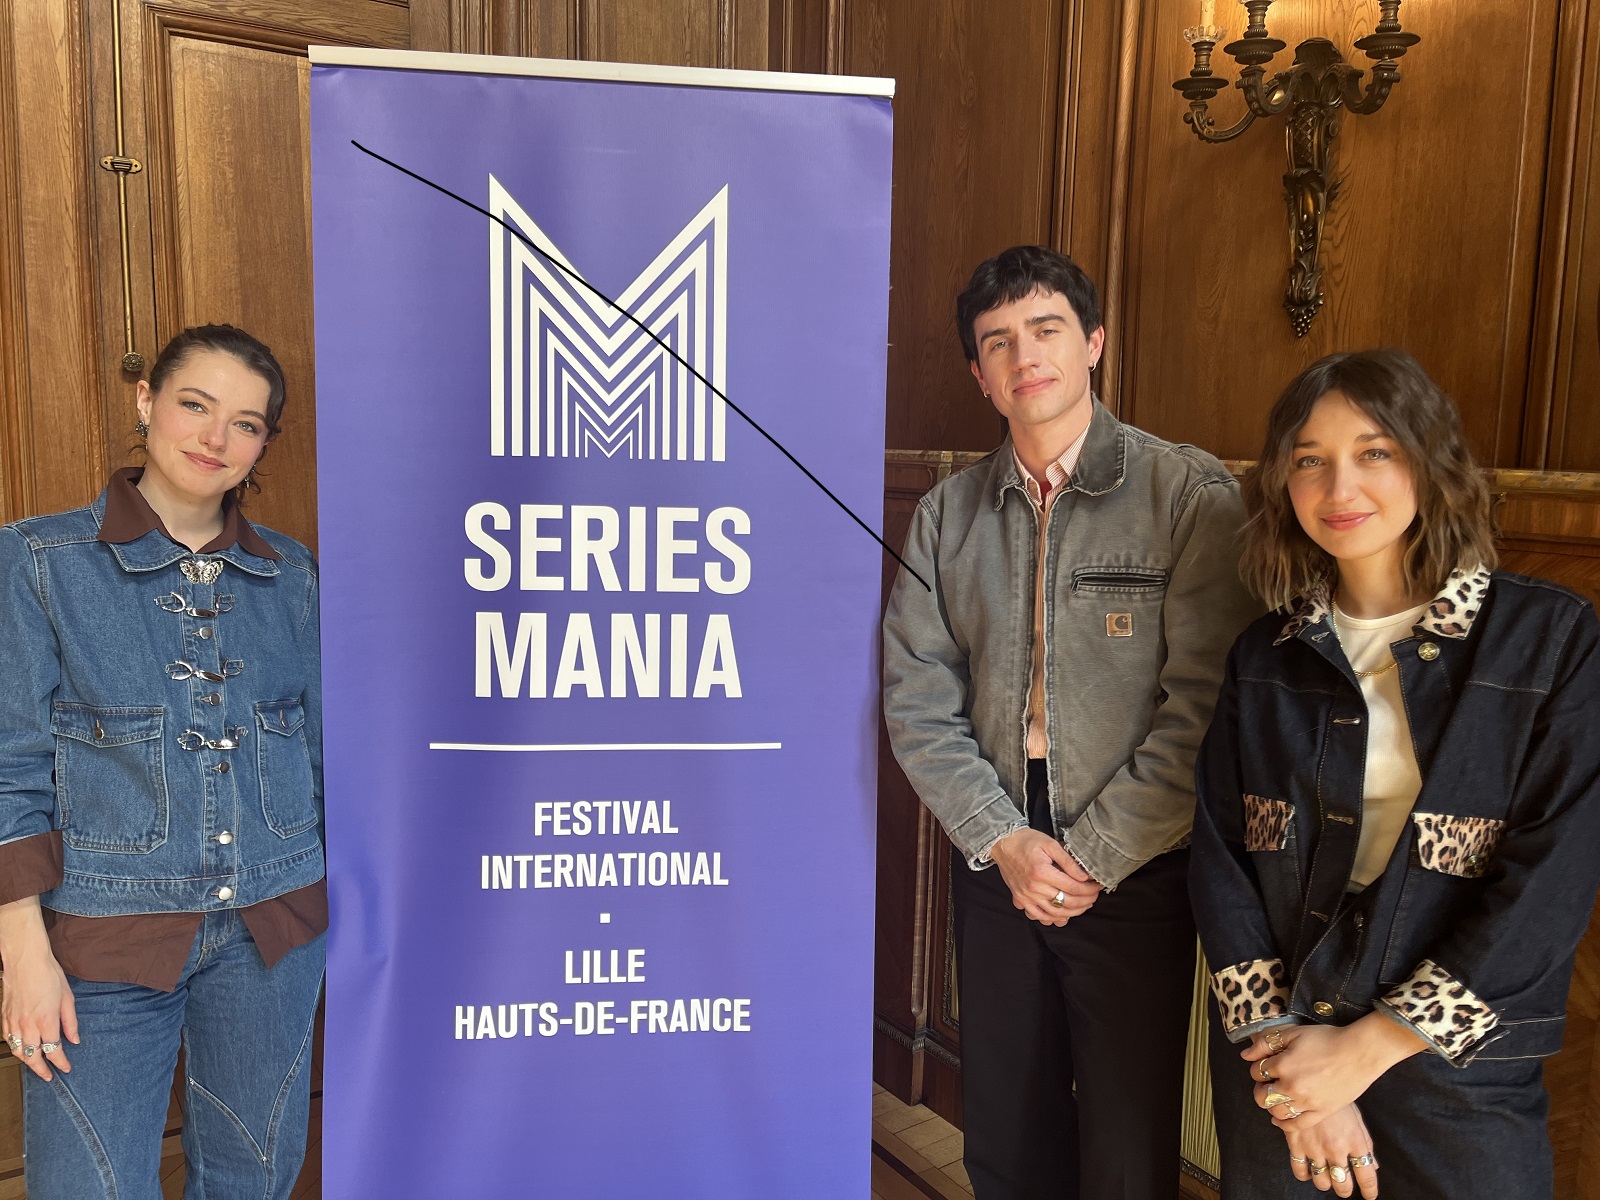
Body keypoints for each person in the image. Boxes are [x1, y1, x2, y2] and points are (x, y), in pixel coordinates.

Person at [881, 245, 1258, 1199]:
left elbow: (1203, 707)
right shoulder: (946, 516)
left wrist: (1092, 853)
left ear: (1093, 341)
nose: (1023, 356)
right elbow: (918, 698)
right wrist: (1003, 839)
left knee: (1128, 1147)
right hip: (999, 849)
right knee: (1004, 1127)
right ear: (978, 374)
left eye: (1045, 330)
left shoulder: (1187, 495)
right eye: (997, 342)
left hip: (1138, 862)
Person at [1190, 348, 1600, 1200]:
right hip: (1285, 1064)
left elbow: (1551, 884)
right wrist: (1293, 1071)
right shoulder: (1264, 656)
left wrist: (1367, 1050)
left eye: (1375, 451)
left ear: (1429, 459)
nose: (1340, 488)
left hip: (1457, 1070)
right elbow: (1222, 860)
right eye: (1310, 460)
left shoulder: (1550, 640)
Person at [0, 325, 327, 1199]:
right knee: (87, 1188)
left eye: (247, 423)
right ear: (146, 403)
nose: (216, 438)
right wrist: (21, 951)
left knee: (253, 1182)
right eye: (195, 404)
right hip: (102, 936)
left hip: (274, 931)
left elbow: (325, 759)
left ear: (263, 445)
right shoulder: (37, 561)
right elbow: (10, 764)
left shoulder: (292, 577)